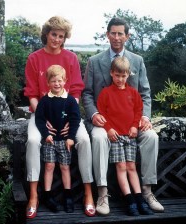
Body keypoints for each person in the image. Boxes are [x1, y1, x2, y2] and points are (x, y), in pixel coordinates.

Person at [82, 17, 164, 215]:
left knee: (151, 137)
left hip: (132, 123)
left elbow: (144, 93)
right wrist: (93, 114)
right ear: (107, 34)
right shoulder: (94, 61)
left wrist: (144, 118)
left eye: (121, 33)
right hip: (105, 121)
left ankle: (146, 191)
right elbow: (87, 93)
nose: (117, 37)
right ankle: (102, 193)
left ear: (127, 36)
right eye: (113, 33)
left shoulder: (137, 61)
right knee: (99, 137)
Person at [24, 16, 95, 219]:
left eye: (61, 36)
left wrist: (67, 122)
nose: (56, 39)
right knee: (32, 140)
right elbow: (31, 94)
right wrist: (42, 116)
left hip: (67, 116)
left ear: (65, 38)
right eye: (53, 34)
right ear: (46, 34)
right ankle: (33, 197)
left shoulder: (71, 58)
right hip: (41, 114)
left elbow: (75, 92)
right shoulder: (34, 58)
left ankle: (88, 194)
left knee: (84, 139)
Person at [97, 56, 153, 216]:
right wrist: (108, 128)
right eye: (117, 75)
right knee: (121, 167)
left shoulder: (133, 93)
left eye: (123, 76)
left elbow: (138, 111)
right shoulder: (105, 93)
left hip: (130, 135)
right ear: (111, 73)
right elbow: (102, 113)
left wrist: (135, 126)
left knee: (131, 167)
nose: (120, 79)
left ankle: (139, 199)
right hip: (115, 136)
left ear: (128, 74)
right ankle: (129, 200)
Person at [35, 65, 80, 213]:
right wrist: (46, 134)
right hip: (50, 140)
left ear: (65, 81)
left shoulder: (71, 101)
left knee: (65, 167)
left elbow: (75, 119)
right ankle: (47, 196)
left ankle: (68, 196)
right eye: (53, 81)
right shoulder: (44, 101)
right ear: (48, 82)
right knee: (49, 166)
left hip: (65, 140)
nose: (57, 84)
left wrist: (71, 137)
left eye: (60, 80)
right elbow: (40, 120)